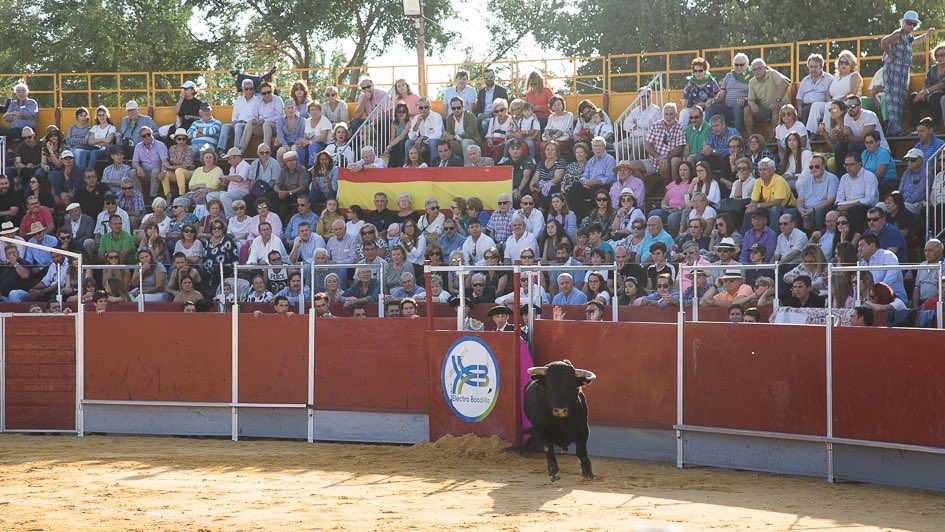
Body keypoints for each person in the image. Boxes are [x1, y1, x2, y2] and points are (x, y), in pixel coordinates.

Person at [880, 10, 936, 135]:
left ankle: (894, 129)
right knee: (892, 100)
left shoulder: (908, 36)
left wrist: (926, 34)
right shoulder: (898, 34)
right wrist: (889, 55)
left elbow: (915, 41)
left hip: (903, 72)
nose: (911, 26)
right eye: (909, 23)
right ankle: (895, 129)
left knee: (899, 99)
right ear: (903, 22)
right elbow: (884, 41)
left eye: (914, 24)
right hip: (894, 71)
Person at [806, 50, 861, 134]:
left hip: (847, 103)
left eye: (846, 62)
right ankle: (811, 133)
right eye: (841, 62)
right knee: (816, 105)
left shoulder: (855, 75)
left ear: (851, 64)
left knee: (831, 106)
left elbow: (853, 93)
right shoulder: (836, 78)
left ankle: (828, 132)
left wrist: (837, 101)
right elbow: (828, 93)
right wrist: (829, 99)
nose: (843, 64)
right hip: (833, 102)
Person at [745, 157, 796, 230]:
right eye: (760, 170)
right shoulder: (758, 181)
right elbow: (754, 200)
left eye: (765, 169)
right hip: (767, 207)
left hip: (787, 206)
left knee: (774, 209)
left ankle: (773, 236)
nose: (762, 172)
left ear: (772, 170)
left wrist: (758, 205)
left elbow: (777, 202)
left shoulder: (779, 180)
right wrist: (752, 205)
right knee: (749, 210)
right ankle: (746, 236)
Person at [743, 58, 791, 134]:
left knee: (775, 108)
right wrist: (752, 104)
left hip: (781, 107)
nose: (756, 71)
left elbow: (785, 83)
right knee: (746, 109)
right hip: (765, 109)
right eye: (754, 70)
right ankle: (750, 136)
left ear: (765, 67)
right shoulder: (752, 81)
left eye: (759, 68)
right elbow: (750, 99)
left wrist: (776, 101)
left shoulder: (772, 73)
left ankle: (775, 135)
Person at [706, 53, 751, 132]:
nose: (739, 67)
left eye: (742, 65)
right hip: (727, 109)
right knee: (710, 106)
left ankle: (737, 137)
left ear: (747, 64)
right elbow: (721, 95)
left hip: (741, 107)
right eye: (736, 65)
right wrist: (713, 100)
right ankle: (705, 136)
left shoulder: (751, 76)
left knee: (737, 105)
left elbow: (754, 94)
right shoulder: (729, 76)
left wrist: (745, 99)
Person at [835, 152, 878, 234]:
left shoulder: (869, 176)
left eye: (850, 164)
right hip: (846, 206)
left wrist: (850, 206)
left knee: (855, 210)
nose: (848, 167)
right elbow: (839, 197)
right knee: (830, 212)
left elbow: (870, 199)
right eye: (846, 165)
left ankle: (857, 236)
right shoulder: (844, 178)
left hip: (865, 207)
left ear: (859, 164)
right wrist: (841, 206)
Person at [643, 103, 686, 184]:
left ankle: (672, 187)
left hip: (671, 159)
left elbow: (680, 147)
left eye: (671, 114)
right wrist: (657, 156)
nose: (668, 117)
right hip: (654, 160)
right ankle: (648, 189)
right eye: (666, 114)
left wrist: (666, 158)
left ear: (676, 114)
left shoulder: (681, 126)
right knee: (632, 166)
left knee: (670, 162)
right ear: (663, 114)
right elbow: (647, 144)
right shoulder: (655, 125)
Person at [796, 155, 839, 231]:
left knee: (820, 212)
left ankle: (821, 235)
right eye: (811, 167)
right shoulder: (806, 181)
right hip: (806, 209)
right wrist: (801, 210)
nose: (813, 169)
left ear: (823, 166)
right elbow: (800, 200)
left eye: (817, 166)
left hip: (820, 208)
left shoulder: (832, 178)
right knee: (790, 213)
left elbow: (831, 199)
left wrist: (812, 209)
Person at [857, 234, 906, 302]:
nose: (858, 249)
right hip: (871, 301)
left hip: (894, 300)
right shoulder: (862, 263)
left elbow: (889, 280)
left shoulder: (888, 256)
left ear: (872, 245)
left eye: (861, 245)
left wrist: (874, 293)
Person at [909, 43, 945, 129]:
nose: (940, 57)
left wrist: (926, 91)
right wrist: (922, 93)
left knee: (935, 96)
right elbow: (926, 83)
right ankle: (916, 128)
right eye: (937, 55)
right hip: (929, 96)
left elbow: (942, 84)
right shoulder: (933, 69)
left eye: (943, 55)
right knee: (913, 96)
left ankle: (935, 127)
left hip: (941, 97)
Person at [218, 79, 259, 154]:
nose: (249, 91)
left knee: (238, 126)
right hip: (238, 122)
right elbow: (235, 114)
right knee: (225, 126)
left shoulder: (257, 100)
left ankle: (236, 151)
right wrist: (234, 120)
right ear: (243, 89)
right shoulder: (238, 100)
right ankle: (221, 150)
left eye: (251, 88)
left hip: (249, 125)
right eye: (246, 89)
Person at [239, 81, 283, 152]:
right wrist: (254, 119)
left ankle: (266, 150)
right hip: (261, 127)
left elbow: (279, 116)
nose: (267, 95)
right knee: (250, 123)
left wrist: (265, 120)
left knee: (266, 124)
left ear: (272, 91)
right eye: (264, 93)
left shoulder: (277, 100)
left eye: (269, 92)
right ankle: (241, 149)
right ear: (261, 94)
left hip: (275, 127)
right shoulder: (258, 100)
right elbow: (254, 115)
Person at [795, 53, 835, 126]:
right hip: (806, 106)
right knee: (803, 111)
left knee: (809, 110)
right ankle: (807, 135)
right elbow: (799, 98)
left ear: (821, 66)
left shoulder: (829, 79)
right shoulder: (805, 80)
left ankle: (811, 134)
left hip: (822, 106)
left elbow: (831, 95)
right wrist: (799, 109)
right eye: (811, 67)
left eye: (815, 67)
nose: (813, 69)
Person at [162, 128, 195, 199]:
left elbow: (187, 166)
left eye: (184, 139)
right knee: (165, 174)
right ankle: (168, 196)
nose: (181, 141)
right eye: (179, 139)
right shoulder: (172, 148)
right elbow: (166, 162)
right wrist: (165, 169)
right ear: (175, 140)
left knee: (179, 170)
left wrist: (171, 167)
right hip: (176, 173)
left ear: (186, 140)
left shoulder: (189, 149)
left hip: (189, 173)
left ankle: (182, 195)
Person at [475, 68, 509, 133]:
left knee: (485, 123)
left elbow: (505, 108)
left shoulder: (502, 91)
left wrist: (490, 115)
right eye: (486, 78)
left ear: (494, 77)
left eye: (491, 77)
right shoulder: (481, 92)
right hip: (482, 116)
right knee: (472, 121)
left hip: (496, 115)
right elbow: (477, 108)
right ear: (484, 79)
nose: (489, 79)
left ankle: (488, 141)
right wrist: (479, 115)